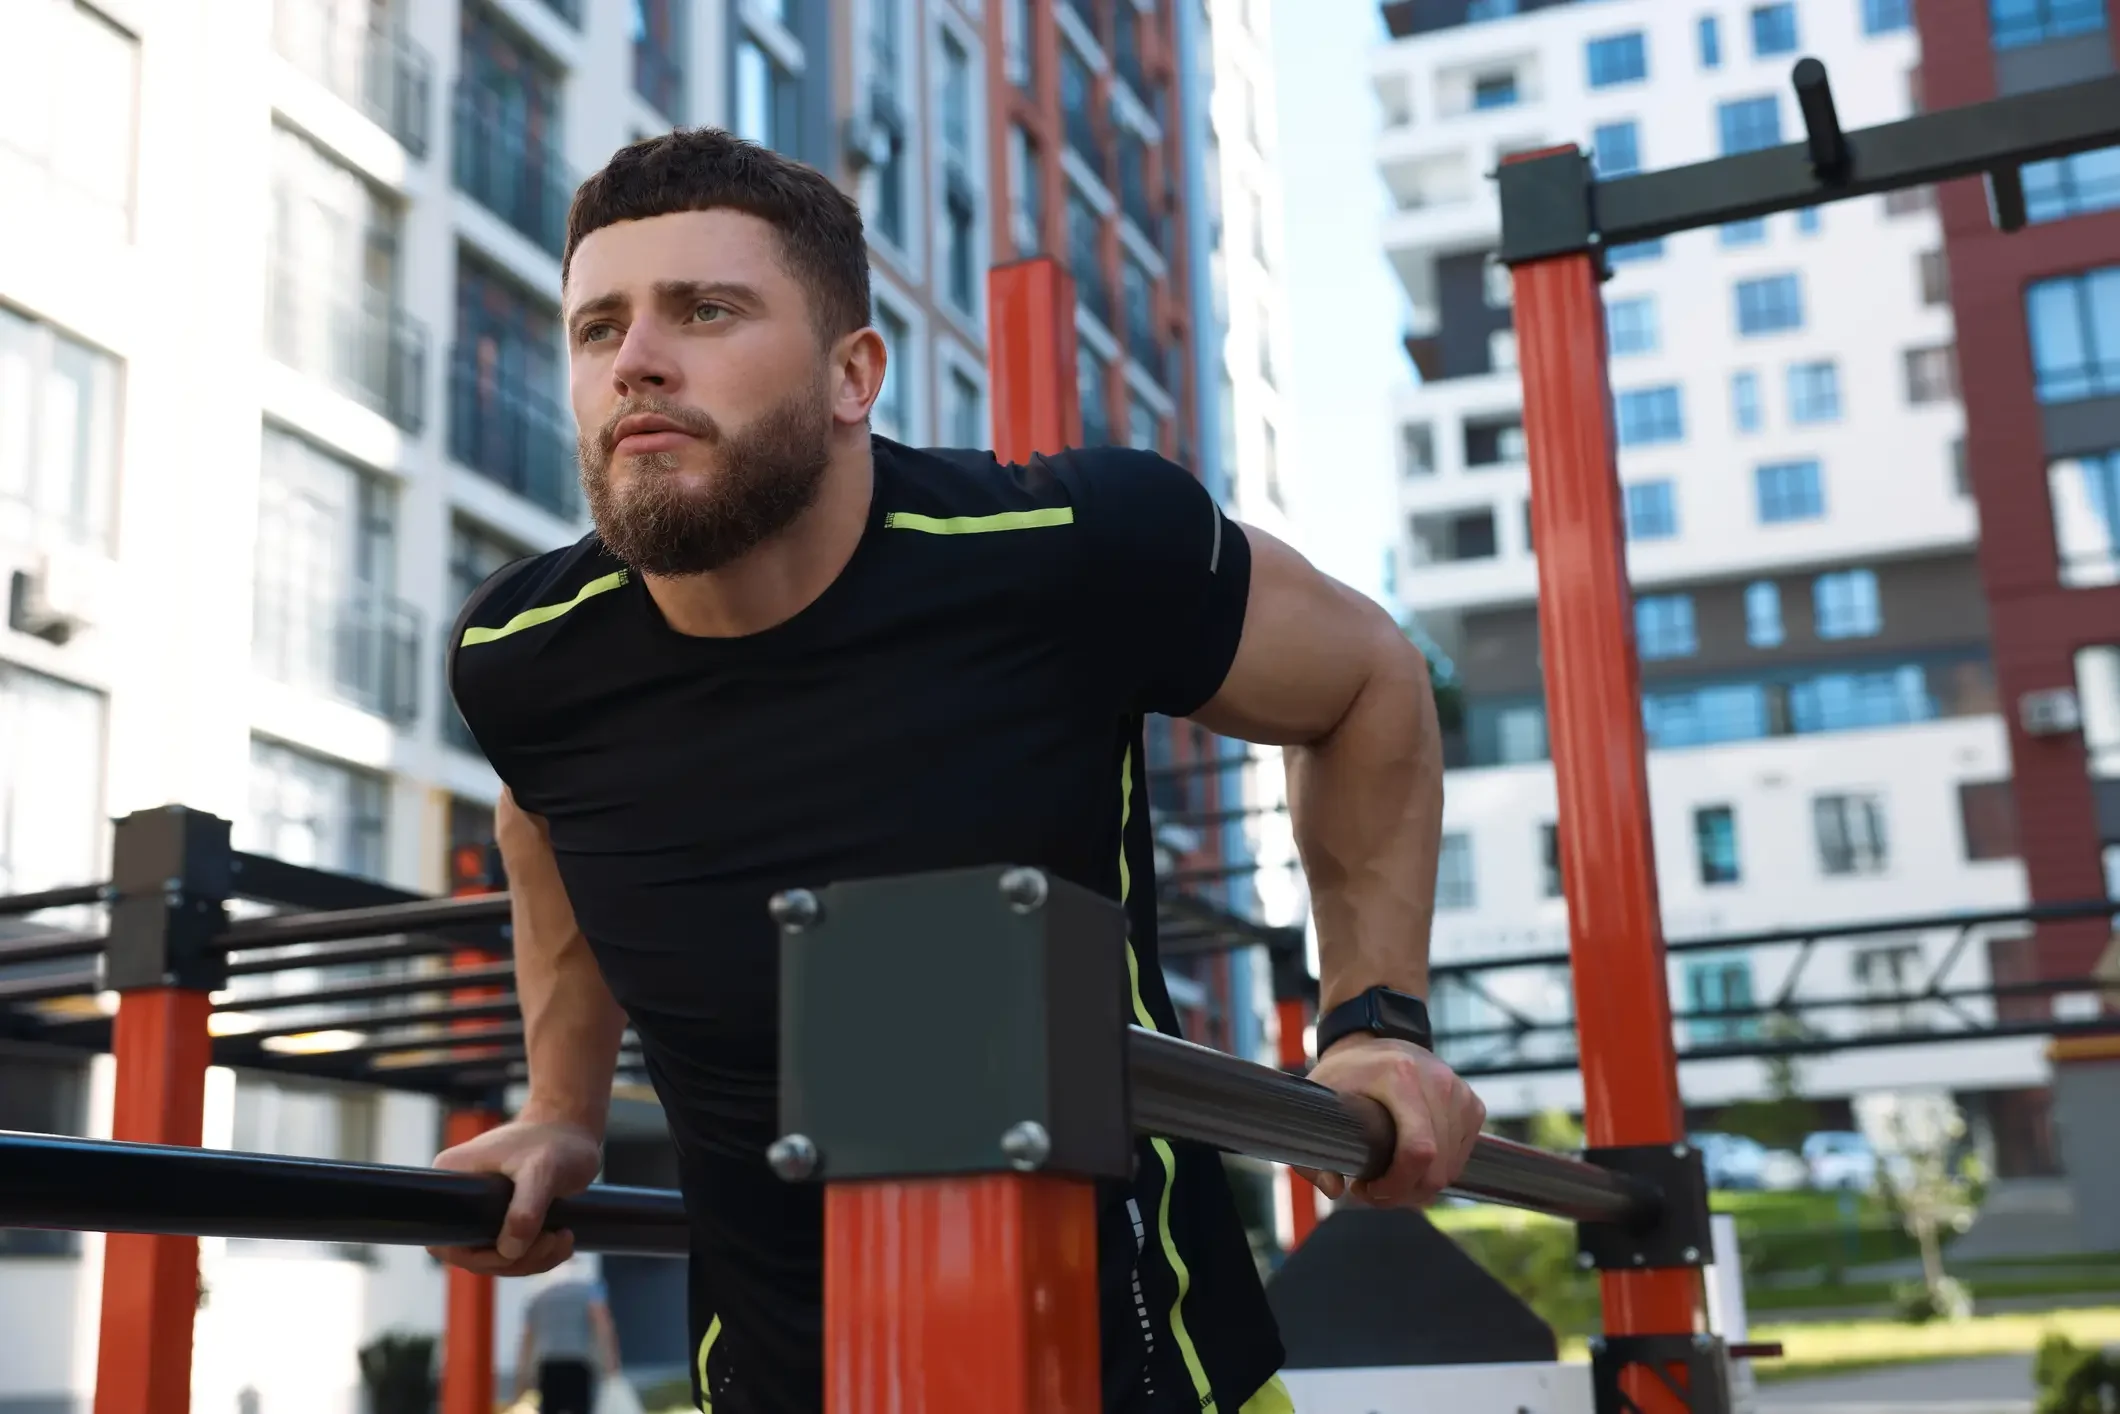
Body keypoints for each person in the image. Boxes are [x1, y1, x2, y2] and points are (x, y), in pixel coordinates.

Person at [430, 127, 1487, 1414]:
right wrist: (560, 1105)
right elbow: (541, 817)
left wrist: (1375, 1024)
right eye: (598, 328)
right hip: (764, 1380)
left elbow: (1368, 674)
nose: (636, 358)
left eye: (705, 310)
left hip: (1137, 1376)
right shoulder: (523, 655)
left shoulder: (1065, 547)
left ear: (851, 374)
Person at [513, 1255, 622, 1414]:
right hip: (579, 1362)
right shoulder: (588, 1292)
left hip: (548, 1364)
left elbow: (527, 1339)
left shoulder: (538, 1298)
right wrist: (610, 1362)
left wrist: (522, 1377)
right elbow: (602, 1326)